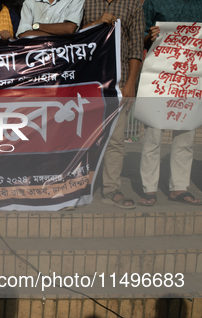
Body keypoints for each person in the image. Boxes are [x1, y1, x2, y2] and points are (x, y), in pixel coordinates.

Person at [137, 0, 202, 206]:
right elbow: (141, 37)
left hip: (190, 77)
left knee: (186, 136)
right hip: (159, 78)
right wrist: (150, 36)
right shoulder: (154, 2)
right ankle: (149, 189)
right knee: (153, 136)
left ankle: (179, 188)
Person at [82, 0, 144, 209]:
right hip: (88, 82)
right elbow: (74, 34)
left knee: (115, 140)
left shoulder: (133, 5)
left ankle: (111, 189)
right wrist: (97, 23)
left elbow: (136, 47)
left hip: (118, 83)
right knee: (83, 139)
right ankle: (79, 186)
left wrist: (131, 83)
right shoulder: (84, 1)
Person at [16, 0, 84, 38]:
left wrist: (37, 26)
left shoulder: (74, 1)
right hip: (37, 55)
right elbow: (23, 34)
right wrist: (59, 34)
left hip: (62, 55)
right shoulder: (29, 2)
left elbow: (70, 28)